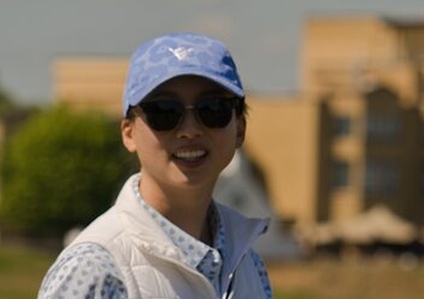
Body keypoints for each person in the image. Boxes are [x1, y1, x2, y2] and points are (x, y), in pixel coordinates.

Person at [39, 32, 273, 298]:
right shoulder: (96, 269)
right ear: (129, 133)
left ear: (240, 128)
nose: (190, 130)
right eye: (164, 111)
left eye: (212, 108)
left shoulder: (248, 264)